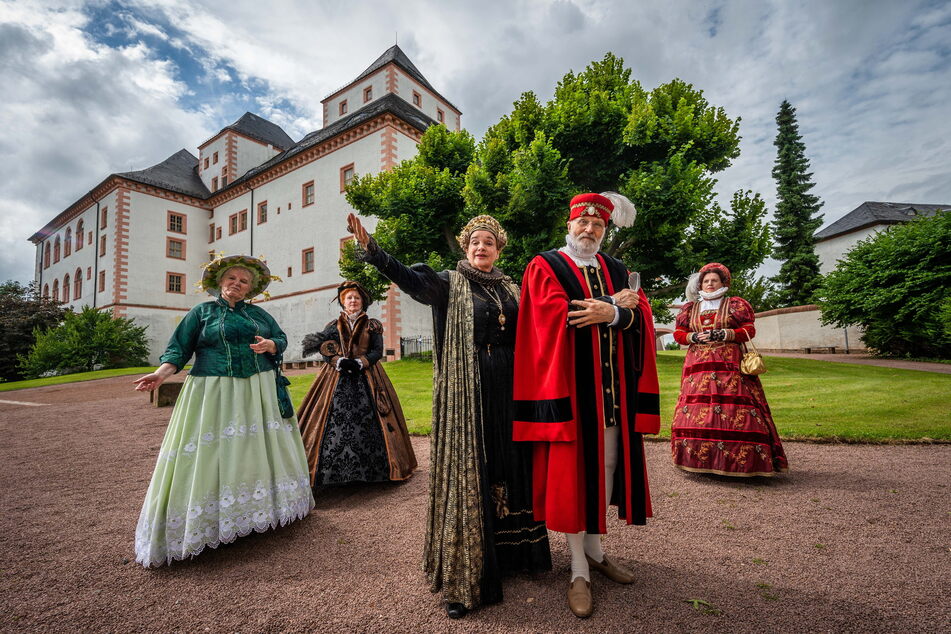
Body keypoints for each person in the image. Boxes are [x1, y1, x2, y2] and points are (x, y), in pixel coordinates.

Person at [347, 212, 551, 619]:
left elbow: (542, 322)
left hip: (511, 388)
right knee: (471, 467)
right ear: (465, 246)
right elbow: (407, 277)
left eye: (489, 242)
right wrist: (373, 251)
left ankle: (517, 555)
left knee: (510, 464)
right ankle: (468, 569)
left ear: (498, 248)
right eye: (475, 241)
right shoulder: (447, 283)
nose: (481, 248)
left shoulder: (512, 287)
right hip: (467, 389)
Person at [513, 192, 660, 619]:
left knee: (608, 470)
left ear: (605, 230)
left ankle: (595, 551)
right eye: (583, 223)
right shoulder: (546, 265)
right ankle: (577, 568)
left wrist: (614, 314)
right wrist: (616, 306)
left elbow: (642, 315)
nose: (590, 230)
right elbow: (550, 315)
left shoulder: (617, 269)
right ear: (570, 222)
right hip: (573, 398)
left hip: (613, 397)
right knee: (574, 479)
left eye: (598, 226)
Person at [132, 255, 314, 567]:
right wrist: (161, 374)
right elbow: (179, 348)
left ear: (251, 288)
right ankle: (211, 520)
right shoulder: (201, 312)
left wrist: (271, 345)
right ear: (220, 282)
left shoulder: (259, 314)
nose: (237, 285)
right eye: (232, 279)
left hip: (257, 388)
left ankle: (263, 509)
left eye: (244, 281)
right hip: (214, 390)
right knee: (214, 450)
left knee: (254, 447)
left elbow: (280, 339)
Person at [670, 262, 788, 476]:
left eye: (714, 280)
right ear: (700, 284)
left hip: (730, 366)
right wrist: (693, 337)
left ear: (723, 282)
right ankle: (699, 461)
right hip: (698, 368)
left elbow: (749, 330)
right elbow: (678, 333)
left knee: (736, 409)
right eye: (706, 281)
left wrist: (725, 334)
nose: (709, 284)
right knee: (698, 409)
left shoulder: (735, 304)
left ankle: (743, 463)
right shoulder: (690, 308)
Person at [296, 280, 417, 486]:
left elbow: (377, 351)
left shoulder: (373, 325)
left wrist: (361, 362)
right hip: (336, 377)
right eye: (349, 298)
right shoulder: (332, 325)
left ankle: (375, 471)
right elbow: (325, 348)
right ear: (343, 302)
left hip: (367, 376)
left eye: (357, 298)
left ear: (363, 302)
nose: (353, 301)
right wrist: (339, 361)